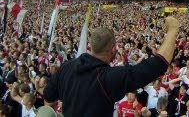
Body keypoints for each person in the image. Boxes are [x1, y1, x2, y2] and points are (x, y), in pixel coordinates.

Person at [43, 17, 180, 116]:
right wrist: (173, 29)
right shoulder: (108, 77)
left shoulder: (66, 67)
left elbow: (48, 99)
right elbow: (157, 64)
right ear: (113, 49)